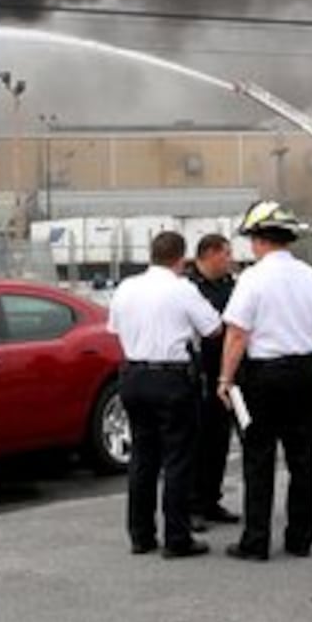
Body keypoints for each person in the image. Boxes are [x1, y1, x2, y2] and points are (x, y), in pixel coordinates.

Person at [217, 200, 312, 561]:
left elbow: (237, 334)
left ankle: (256, 541)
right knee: (302, 458)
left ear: (259, 240)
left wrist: (225, 378)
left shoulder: (252, 279)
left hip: (263, 377)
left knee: (259, 458)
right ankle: (300, 539)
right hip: (304, 375)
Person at [107, 230, 222, 559]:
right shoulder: (182, 289)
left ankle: (141, 535)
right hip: (171, 379)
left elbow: (114, 329)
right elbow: (213, 328)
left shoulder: (126, 287)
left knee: (142, 458)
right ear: (181, 259)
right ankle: (177, 538)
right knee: (178, 460)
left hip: (132, 377)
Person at [185, 233, 241, 525]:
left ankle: (211, 499)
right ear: (209, 254)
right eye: (226, 254)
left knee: (220, 438)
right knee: (197, 440)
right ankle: (192, 504)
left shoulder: (231, 285)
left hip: (227, 372)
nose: (230, 260)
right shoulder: (189, 286)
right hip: (199, 373)